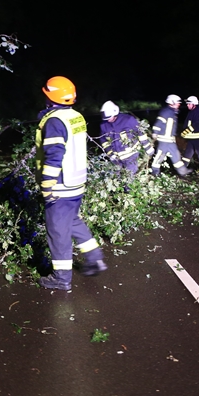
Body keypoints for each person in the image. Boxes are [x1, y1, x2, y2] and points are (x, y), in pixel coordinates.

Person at [36, 76, 107, 291]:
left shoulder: (54, 121)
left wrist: (47, 186)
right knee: (72, 221)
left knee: (57, 232)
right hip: (76, 183)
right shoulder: (76, 116)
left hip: (60, 185)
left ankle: (61, 278)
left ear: (50, 96)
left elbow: (54, 155)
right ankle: (95, 258)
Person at [98, 100, 154, 174]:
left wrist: (148, 148)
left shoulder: (128, 120)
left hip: (131, 156)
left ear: (115, 113)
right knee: (116, 177)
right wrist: (110, 153)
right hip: (116, 158)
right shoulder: (104, 125)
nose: (108, 120)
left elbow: (140, 133)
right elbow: (103, 140)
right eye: (106, 119)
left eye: (109, 118)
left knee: (130, 177)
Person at [151, 94, 192, 178]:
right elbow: (158, 123)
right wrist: (155, 132)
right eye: (177, 102)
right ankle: (155, 173)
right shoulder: (166, 112)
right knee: (160, 156)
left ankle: (183, 171)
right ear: (171, 102)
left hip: (170, 140)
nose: (179, 104)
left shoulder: (173, 113)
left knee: (176, 155)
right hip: (164, 140)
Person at [180, 95, 199, 173]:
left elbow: (196, 125)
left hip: (198, 137)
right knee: (188, 153)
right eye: (187, 104)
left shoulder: (198, 112)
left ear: (194, 104)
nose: (187, 105)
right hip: (192, 137)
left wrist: (185, 132)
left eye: (189, 104)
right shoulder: (193, 111)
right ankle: (183, 167)